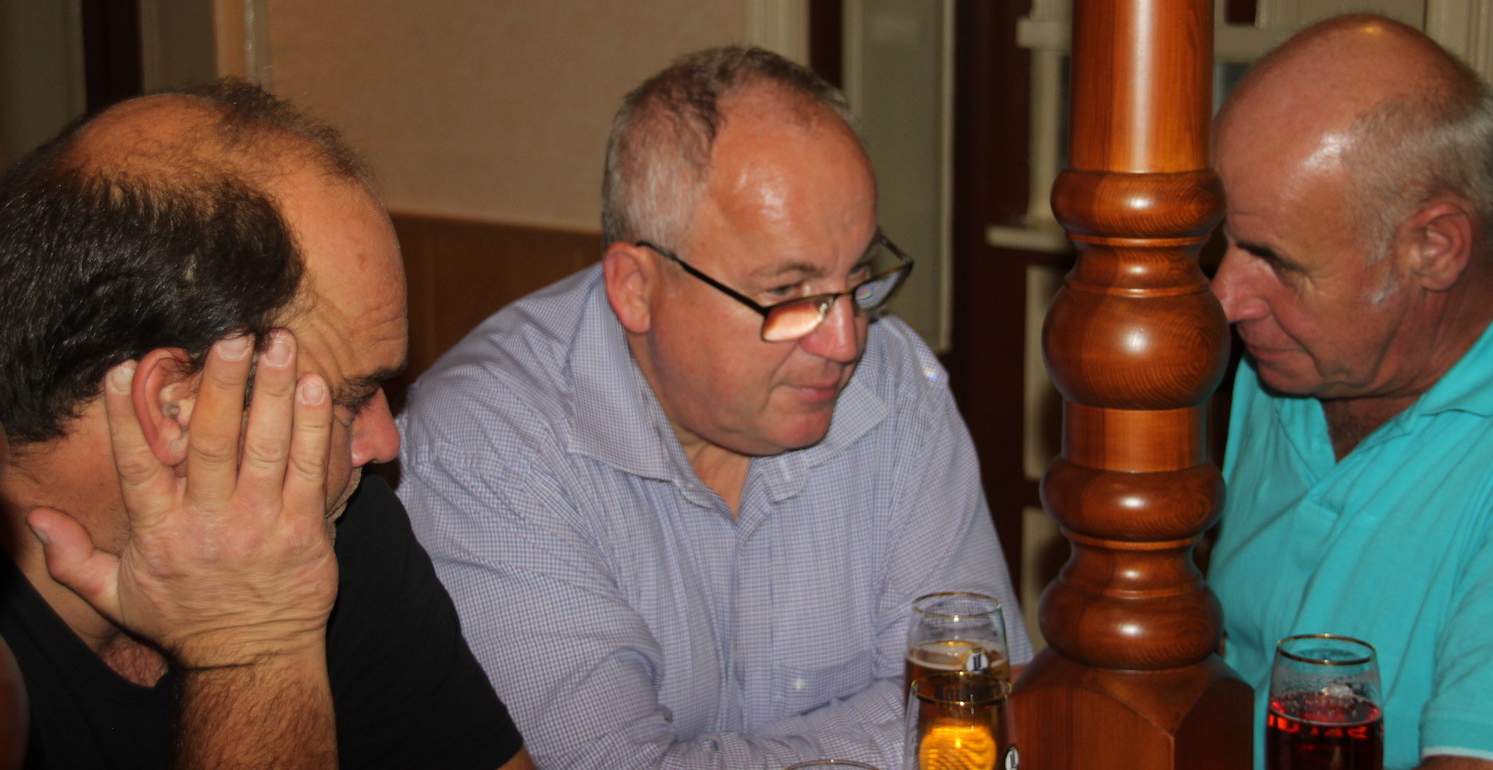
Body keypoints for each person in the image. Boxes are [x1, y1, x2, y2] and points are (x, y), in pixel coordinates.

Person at [397, 45, 1030, 770]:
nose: (847, 340)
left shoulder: (892, 386)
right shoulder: (485, 446)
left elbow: (977, 701)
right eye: (788, 293)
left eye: (857, 278)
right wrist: (889, 740)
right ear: (636, 289)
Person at [0, 81, 533, 770]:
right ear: (175, 405)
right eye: (352, 397)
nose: (385, 442)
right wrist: (253, 643)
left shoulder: (337, 524)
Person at [1207, 14, 1493, 769]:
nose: (1225, 298)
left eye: (1274, 259)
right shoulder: (1285, 365)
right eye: (1226, 242)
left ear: (1434, 247)